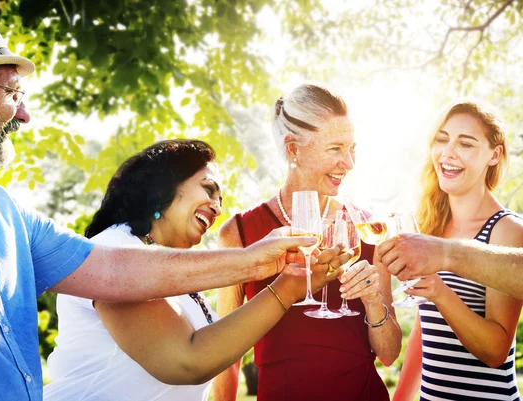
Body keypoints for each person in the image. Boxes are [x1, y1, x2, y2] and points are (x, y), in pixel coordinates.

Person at [0, 10, 330, 401]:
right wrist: (278, 278)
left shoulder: (4, 210)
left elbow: (113, 268)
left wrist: (262, 262)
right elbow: (184, 358)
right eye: (13, 93)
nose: (25, 114)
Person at [44, 139, 351, 401]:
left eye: (221, 200)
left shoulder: (177, 278)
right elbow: (186, 361)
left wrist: (290, 280)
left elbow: (213, 346)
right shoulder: (114, 249)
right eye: (208, 189)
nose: (217, 207)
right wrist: (286, 288)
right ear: (162, 186)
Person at [213, 83, 402, 401]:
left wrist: (373, 302)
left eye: (352, 147)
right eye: (335, 148)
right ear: (293, 150)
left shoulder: (367, 228)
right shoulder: (240, 233)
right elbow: (225, 357)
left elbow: (389, 353)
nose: (350, 163)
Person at [391, 100, 523, 401]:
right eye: (442, 139)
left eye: (465, 144)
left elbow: (495, 351)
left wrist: (440, 292)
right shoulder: (432, 225)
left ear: (494, 154)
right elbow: (426, 329)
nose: (448, 152)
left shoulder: (507, 231)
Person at [378, 233, 523, 300]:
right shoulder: (436, 221)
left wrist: (445, 253)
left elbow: (495, 353)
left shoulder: (507, 228)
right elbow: (423, 330)